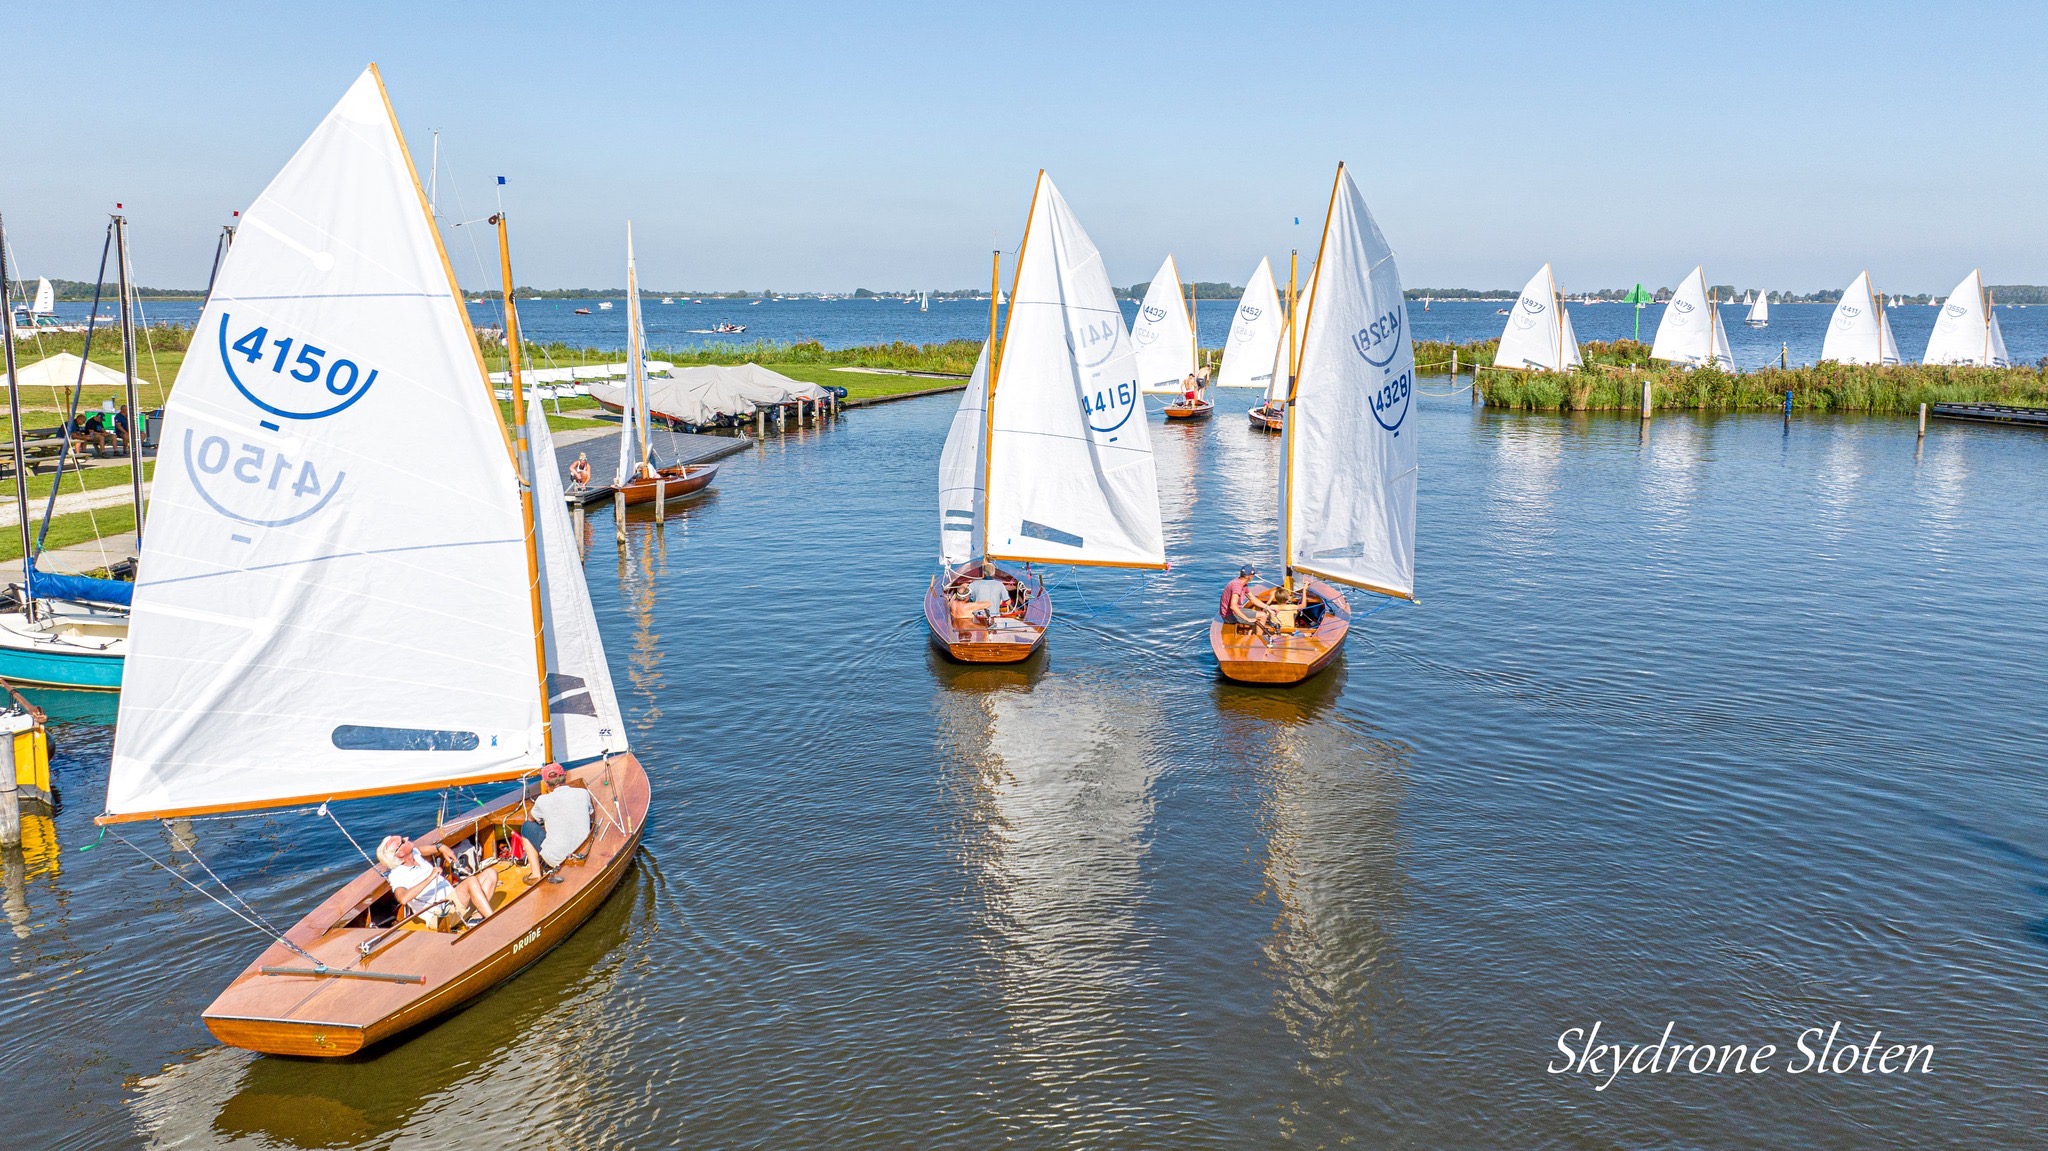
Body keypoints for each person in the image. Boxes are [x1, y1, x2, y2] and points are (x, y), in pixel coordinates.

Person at [379, 834, 499, 928]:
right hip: (441, 915)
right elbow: (403, 899)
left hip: (456, 902)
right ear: (400, 853)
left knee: (490, 873)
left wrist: (441, 847)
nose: (406, 838)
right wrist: (430, 877)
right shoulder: (397, 875)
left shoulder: (413, 854)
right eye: (402, 841)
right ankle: (492, 920)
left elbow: (422, 850)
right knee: (471, 881)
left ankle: (477, 917)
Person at [525, 763, 594, 883]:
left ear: (546, 784)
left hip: (556, 859)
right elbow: (591, 815)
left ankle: (536, 874)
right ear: (565, 776)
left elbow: (530, 819)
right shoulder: (583, 793)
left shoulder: (542, 800)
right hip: (584, 852)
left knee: (526, 827)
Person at [1220, 565, 1271, 630]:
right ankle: (1258, 638)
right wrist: (1248, 619)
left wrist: (1268, 608)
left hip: (1233, 612)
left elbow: (1252, 599)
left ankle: (1253, 633)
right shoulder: (1237, 586)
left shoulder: (1241, 583)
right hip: (1229, 615)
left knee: (1256, 613)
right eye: (1253, 575)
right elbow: (1233, 606)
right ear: (1249, 576)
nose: (1253, 577)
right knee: (1263, 616)